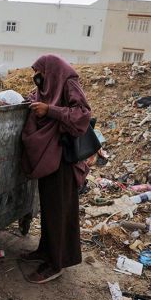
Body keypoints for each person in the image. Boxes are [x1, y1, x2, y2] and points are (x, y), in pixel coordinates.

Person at [20, 54, 91, 284]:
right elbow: (34, 99)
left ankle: (56, 263)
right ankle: (45, 251)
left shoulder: (69, 82)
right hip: (50, 156)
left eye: (39, 74)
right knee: (50, 209)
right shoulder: (49, 87)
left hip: (63, 158)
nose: (37, 79)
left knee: (60, 211)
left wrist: (50, 111)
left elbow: (82, 115)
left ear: (50, 72)